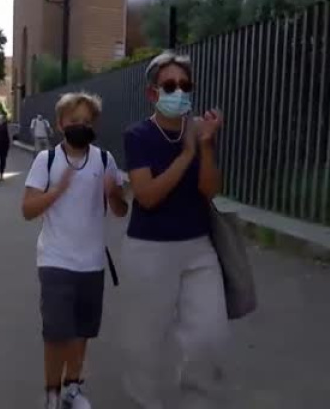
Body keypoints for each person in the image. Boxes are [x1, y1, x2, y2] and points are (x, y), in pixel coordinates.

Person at [122, 52, 227, 409]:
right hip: (149, 249)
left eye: (185, 85)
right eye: (170, 86)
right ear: (152, 93)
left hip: (198, 245)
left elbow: (209, 190)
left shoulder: (198, 132)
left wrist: (206, 146)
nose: (179, 92)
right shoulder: (138, 135)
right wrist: (185, 155)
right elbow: (147, 197)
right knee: (146, 340)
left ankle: (198, 401)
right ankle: (145, 401)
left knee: (209, 334)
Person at [22, 92, 128, 409]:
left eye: (86, 121)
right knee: (56, 333)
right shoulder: (46, 160)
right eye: (74, 121)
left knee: (81, 332)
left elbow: (120, 210)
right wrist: (57, 191)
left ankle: (73, 388)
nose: (81, 126)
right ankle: (52, 393)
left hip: (92, 263)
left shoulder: (105, 160)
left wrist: (113, 193)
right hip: (55, 260)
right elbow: (28, 209)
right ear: (60, 125)